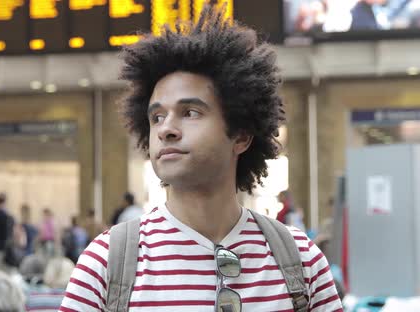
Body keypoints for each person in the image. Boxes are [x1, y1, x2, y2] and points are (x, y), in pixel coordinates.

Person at [60, 4, 342, 311]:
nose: (166, 129)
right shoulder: (105, 264)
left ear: (241, 135)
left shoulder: (301, 261)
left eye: (190, 112)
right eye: (156, 117)